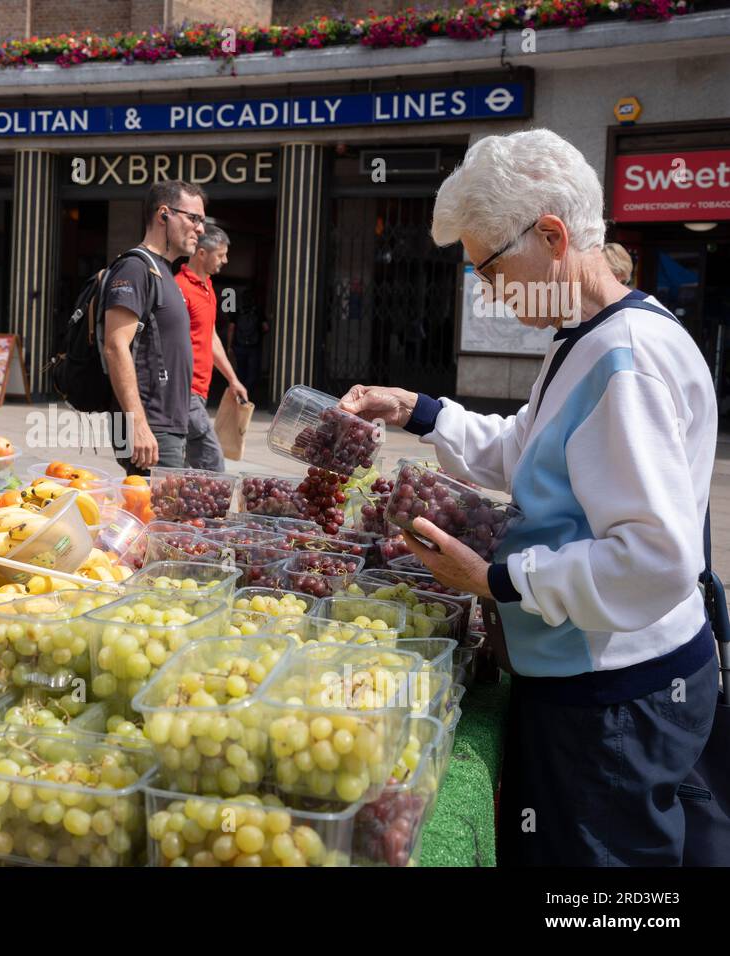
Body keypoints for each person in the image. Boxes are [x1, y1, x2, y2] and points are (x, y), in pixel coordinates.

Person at [340, 129, 717, 867]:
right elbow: (528, 449)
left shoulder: (624, 359)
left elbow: (656, 557)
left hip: (613, 694)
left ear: (551, 235)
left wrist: (493, 581)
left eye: (488, 267)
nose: (486, 289)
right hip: (595, 679)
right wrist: (418, 407)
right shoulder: (588, 336)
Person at [102, 180, 204, 474]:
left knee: (156, 517)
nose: (200, 229)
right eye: (193, 218)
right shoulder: (135, 268)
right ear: (163, 214)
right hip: (150, 427)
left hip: (164, 426)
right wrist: (137, 424)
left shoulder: (163, 272)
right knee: (158, 518)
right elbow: (115, 345)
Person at [174, 225, 249, 471]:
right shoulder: (179, 289)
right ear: (202, 253)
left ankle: (187, 508)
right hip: (184, 390)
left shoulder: (208, 289)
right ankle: (213, 508)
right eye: (221, 254)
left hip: (200, 391)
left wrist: (232, 379)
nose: (225, 260)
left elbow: (211, 338)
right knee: (212, 461)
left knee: (188, 464)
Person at [227, 291, 267, 397]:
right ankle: (247, 393)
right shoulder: (258, 312)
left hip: (239, 346)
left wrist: (229, 346)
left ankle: (240, 393)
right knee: (252, 373)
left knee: (241, 370)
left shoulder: (237, 312)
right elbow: (266, 327)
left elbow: (231, 329)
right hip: (254, 347)